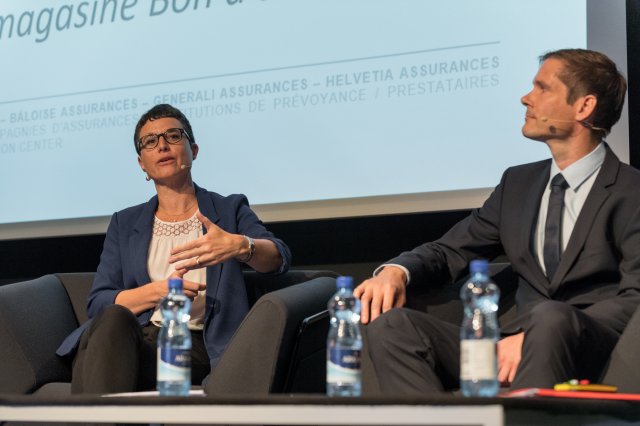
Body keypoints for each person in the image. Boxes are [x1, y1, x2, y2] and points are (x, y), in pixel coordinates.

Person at [354, 49, 640, 393]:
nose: (526, 98)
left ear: (584, 106)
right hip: (510, 344)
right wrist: (396, 271)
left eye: (542, 88)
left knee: (550, 318)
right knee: (394, 325)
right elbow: (450, 251)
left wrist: (538, 334)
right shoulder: (517, 184)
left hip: (592, 348)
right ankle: (434, 418)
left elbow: (635, 295)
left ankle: (526, 415)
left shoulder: (631, 191)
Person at [57, 104, 291, 394]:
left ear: (194, 150)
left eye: (173, 136)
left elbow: (279, 258)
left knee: (101, 361)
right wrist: (160, 291)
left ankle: (89, 411)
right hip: (134, 337)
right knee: (113, 320)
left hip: (194, 343)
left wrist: (242, 245)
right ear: (142, 164)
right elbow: (99, 303)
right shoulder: (124, 222)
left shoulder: (228, 210)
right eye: (150, 141)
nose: (162, 146)